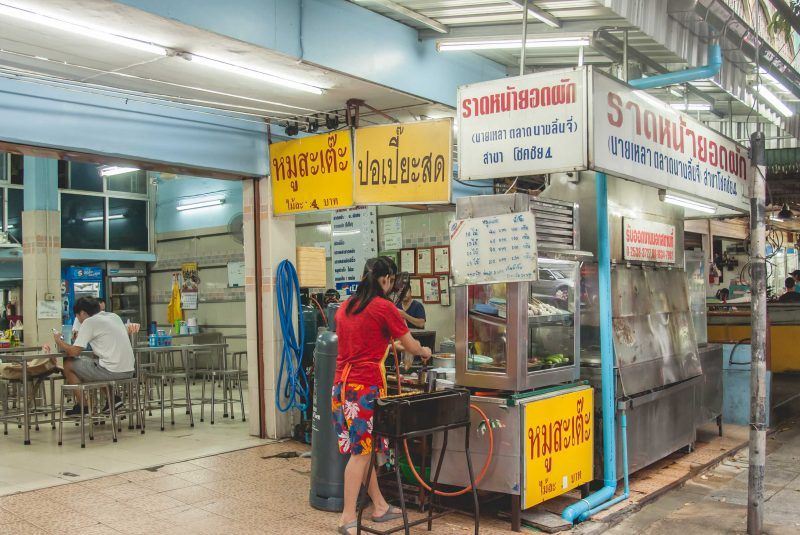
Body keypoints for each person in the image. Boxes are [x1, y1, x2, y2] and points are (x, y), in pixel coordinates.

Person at [332, 258, 432, 535]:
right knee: (361, 455)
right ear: (386, 279)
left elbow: (360, 342)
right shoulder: (383, 306)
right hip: (364, 388)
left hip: (341, 387)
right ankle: (347, 518)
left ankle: (379, 505)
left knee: (363, 451)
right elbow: (412, 344)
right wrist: (423, 351)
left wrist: (395, 346)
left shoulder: (346, 306)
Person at [53, 297, 134, 416]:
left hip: (112, 372)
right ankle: (113, 400)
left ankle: (83, 406)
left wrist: (59, 342)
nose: (78, 319)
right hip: (129, 370)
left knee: (68, 363)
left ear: (82, 313)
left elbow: (74, 352)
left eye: (77, 316)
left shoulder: (89, 322)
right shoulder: (113, 316)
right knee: (94, 364)